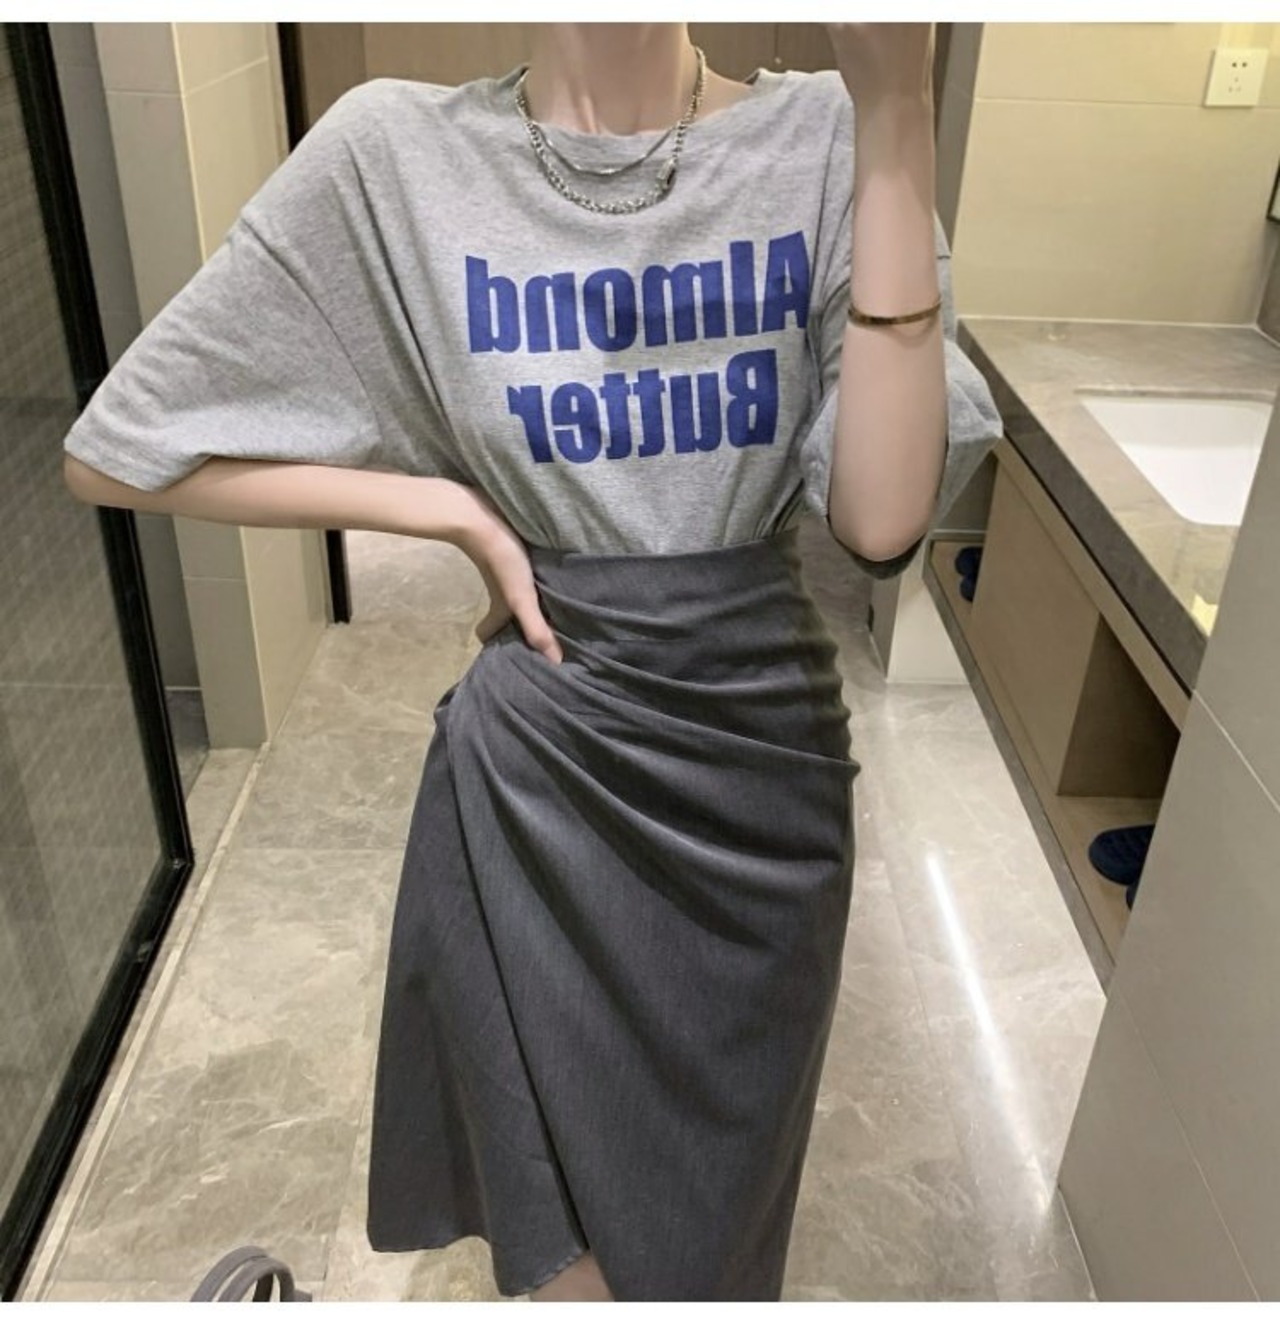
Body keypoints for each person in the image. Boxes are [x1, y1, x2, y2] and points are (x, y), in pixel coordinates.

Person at [63, 23, 1003, 1302]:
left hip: (755, 784)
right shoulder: (397, 155)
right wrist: (445, 509)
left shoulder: (829, 138)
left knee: (710, 1242)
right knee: (564, 1247)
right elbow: (119, 447)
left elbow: (880, 522)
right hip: (536, 774)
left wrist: (898, 109)